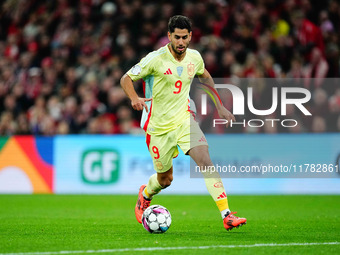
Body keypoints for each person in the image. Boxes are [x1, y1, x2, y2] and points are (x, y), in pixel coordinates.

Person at [120, 15, 246, 231]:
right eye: (176, 37)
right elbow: (126, 79)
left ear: (190, 37)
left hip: (184, 120)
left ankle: (227, 215)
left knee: (205, 160)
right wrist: (134, 98)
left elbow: (204, 76)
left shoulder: (194, 58)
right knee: (166, 179)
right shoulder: (155, 59)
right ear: (169, 36)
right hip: (158, 128)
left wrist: (220, 106)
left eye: (184, 37)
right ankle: (146, 194)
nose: (180, 42)